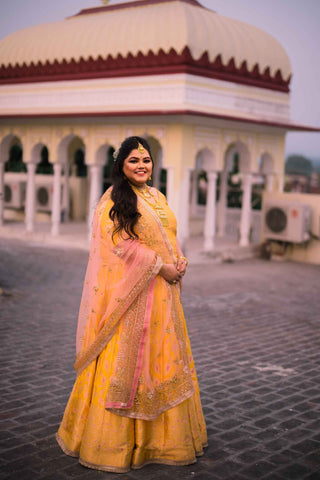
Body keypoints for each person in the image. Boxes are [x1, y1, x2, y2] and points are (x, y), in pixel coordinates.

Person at [56, 136, 207, 472]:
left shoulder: (157, 196)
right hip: (132, 298)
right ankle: (118, 444)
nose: (142, 166)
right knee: (131, 364)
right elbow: (118, 247)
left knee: (163, 359)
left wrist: (179, 259)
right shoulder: (113, 200)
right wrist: (161, 266)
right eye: (134, 161)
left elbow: (169, 234)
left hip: (164, 296)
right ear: (121, 167)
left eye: (147, 160)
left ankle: (163, 441)